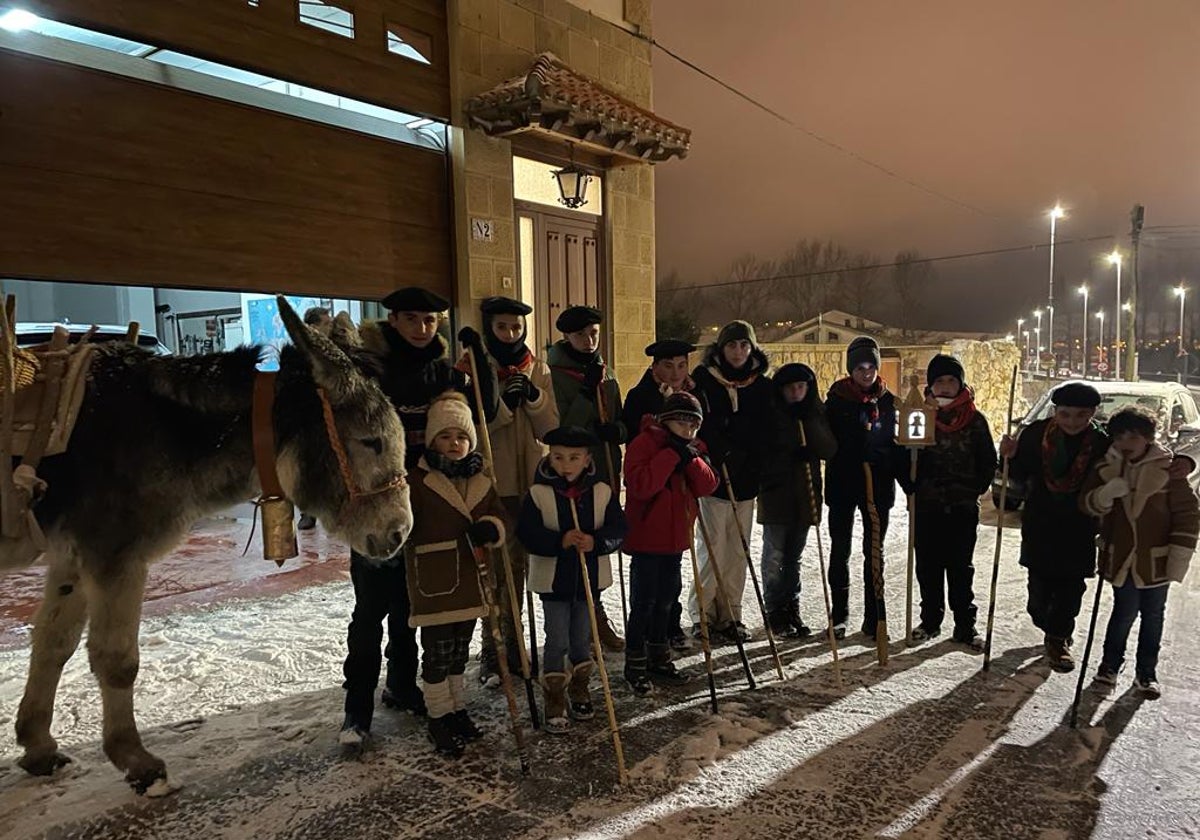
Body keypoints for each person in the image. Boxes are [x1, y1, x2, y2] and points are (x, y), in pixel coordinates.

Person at [340, 287, 497, 741]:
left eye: (430, 321)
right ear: (393, 321)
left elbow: (478, 411)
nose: (422, 329)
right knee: (370, 608)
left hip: (425, 499)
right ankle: (357, 711)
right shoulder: (371, 368)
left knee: (414, 605)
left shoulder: (442, 370)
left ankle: (405, 686)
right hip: (375, 503)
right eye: (412, 320)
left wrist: (479, 362)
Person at [402, 393, 508, 756]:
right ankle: (438, 715)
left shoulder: (482, 477)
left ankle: (457, 708)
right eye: (445, 437)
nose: (454, 444)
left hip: (471, 580)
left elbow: (497, 514)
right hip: (435, 581)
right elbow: (403, 525)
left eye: (461, 437)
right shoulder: (415, 482)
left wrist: (492, 528)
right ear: (432, 440)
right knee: (436, 653)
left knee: (460, 651)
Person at [1081, 407, 1199, 698]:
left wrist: (1178, 555)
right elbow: (1086, 504)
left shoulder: (1168, 469)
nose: (1126, 442)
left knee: (1153, 615)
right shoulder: (1105, 467)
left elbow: (1187, 513)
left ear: (1148, 437)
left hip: (1156, 558)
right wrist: (1105, 495)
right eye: (1120, 435)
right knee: (1123, 612)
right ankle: (1110, 665)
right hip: (1121, 555)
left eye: (1134, 435)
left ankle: (1146, 672)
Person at [517, 426, 627, 734]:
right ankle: (554, 694)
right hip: (554, 583)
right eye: (558, 457)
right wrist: (559, 540)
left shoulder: (602, 491)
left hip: (588, 580)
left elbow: (618, 529)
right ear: (549, 457)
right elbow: (527, 533)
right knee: (557, 640)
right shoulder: (538, 494)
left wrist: (596, 542)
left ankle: (579, 687)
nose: (566, 465)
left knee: (582, 638)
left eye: (574, 458)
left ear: (587, 459)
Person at [475, 295, 559, 688]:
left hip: (531, 484)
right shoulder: (475, 369)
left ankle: (519, 644)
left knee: (522, 569)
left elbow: (549, 428)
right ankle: (494, 653)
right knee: (496, 573)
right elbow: (470, 432)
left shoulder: (536, 368)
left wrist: (534, 398)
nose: (511, 334)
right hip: (496, 485)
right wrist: (503, 408)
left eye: (517, 327)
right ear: (489, 328)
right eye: (502, 327)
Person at [1001, 382, 1108, 672]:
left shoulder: (1101, 442)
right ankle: (1049, 625)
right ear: (1056, 412)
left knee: (1070, 588)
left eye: (1080, 415)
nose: (1072, 421)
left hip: (1079, 525)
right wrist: (1008, 455)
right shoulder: (1036, 434)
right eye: (1066, 414)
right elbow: (1018, 475)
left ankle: (1059, 639)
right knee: (1038, 596)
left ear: (1092, 414)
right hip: (1041, 522)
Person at [622, 392, 718, 695]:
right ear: (666, 421)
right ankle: (635, 663)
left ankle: (659, 656)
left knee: (666, 601)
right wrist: (671, 455)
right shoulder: (645, 444)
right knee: (643, 603)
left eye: (694, 424)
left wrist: (691, 460)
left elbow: (707, 485)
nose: (688, 429)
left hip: (675, 540)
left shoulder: (693, 448)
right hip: (647, 540)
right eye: (681, 422)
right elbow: (640, 486)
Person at [547, 305, 627, 653]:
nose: (589, 340)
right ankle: (579, 622)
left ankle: (597, 617)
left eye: (594, 333)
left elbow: (622, 420)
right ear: (567, 336)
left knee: (600, 545)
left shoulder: (606, 372)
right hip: (572, 472)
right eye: (581, 334)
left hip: (606, 468)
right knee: (577, 542)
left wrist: (616, 430)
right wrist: (583, 397)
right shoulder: (554, 374)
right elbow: (558, 425)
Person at [688, 320, 773, 643]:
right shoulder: (704, 381)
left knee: (738, 550)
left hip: (746, 480)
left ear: (752, 349)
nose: (738, 352)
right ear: (721, 349)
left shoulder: (761, 386)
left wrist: (753, 458)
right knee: (712, 548)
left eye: (744, 346)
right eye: (732, 345)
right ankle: (703, 612)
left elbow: (766, 428)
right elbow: (698, 421)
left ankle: (730, 612)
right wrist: (718, 447)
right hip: (714, 479)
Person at [910, 354, 997, 650]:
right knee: (928, 567)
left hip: (961, 508)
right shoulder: (920, 416)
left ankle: (964, 625)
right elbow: (907, 456)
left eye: (951, 380)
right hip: (927, 508)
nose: (946, 387)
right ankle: (930, 621)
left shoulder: (974, 419)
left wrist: (972, 489)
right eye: (940, 381)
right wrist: (911, 482)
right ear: (931, 385)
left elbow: (988, 460)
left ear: (960, 384)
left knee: (960, 568)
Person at [620, 338, 698, 650]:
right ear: (655, 367)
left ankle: (669, 625)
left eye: (681, 365)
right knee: (649, 582)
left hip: (681, 494)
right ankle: (645, 641)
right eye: (668, 365)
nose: (676, 372)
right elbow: (634, 439)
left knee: (672, 573)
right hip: (653, 493)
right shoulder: (640, 396)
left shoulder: (694, 392)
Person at [825, 337, 902, 640]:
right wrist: (854, 449)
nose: (866, 373)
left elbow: (897, 442)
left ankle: (875, 614)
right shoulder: (836, 400)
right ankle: (839, 613)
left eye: (871, 366)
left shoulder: (889, 401)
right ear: (851, 369)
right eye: (860, 367)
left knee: (874, 550)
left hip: (877, 486)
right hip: (844, 483)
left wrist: (882, 456)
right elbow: (829, 441)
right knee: (840, 548)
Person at [757, 363, 837, 638]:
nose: (795, 392)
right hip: (777, 496)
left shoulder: (814, 412)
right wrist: (788, 455)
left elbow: (829, 449)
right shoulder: (771, 416)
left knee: (793, 558)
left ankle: (792, 606)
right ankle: (774, 610)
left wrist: (809, 425)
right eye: (790, 388)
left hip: (805, 496)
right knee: (774, 556)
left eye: (801, 387)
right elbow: (763, 456)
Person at [299, 306, 334, 531]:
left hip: (329, 415)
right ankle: (307, 512)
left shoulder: (332, 351)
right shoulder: (300, 352)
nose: (330, 327)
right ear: (313, 326)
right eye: (326, 323)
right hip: (307, 418)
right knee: (308, 466)